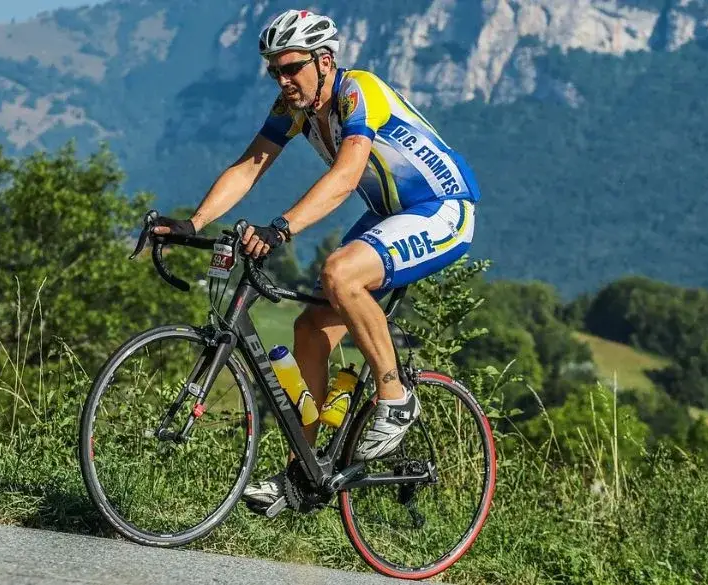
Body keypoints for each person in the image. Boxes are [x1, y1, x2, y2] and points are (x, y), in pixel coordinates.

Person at [151, 8, 481, 514]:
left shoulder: (357, 92)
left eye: (291, 68)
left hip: (442, 208)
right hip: (388, 214)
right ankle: (302, 473)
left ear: (324, 61)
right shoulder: (293, 108)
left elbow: (348, 175)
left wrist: (280, 227)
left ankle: (396, 399)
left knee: (339, 273)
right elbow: (249, 166)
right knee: (308, 328)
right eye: (274, 71)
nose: (282, 81)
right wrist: (193, 223)